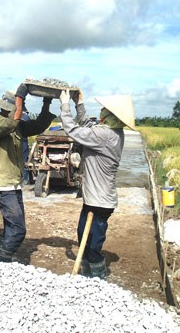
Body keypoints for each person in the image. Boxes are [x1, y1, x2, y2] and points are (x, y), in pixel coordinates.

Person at [59, 90, 135, 279]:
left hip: (100, 201)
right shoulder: (110, 132)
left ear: (109, 116)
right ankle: (86, 277)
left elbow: (73, 130)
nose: (100, 112)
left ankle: (98, 280)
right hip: (93, 197)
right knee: (82, 235)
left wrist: (65, 104)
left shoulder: (105, 135)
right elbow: (87, 124)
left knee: (92, 246)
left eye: (104, 110)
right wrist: (79, 104)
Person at [0, 85, 56, 263]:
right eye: (19, 109)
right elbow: (9, 125)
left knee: (12, 226)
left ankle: (4, 261)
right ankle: (1, 260)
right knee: (18, 228)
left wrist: (46, 103)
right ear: (9, 109)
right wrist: (20, 98)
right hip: (3, 184)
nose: (22, 112)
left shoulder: (18, 127)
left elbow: (38, 125)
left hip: (14, 183)